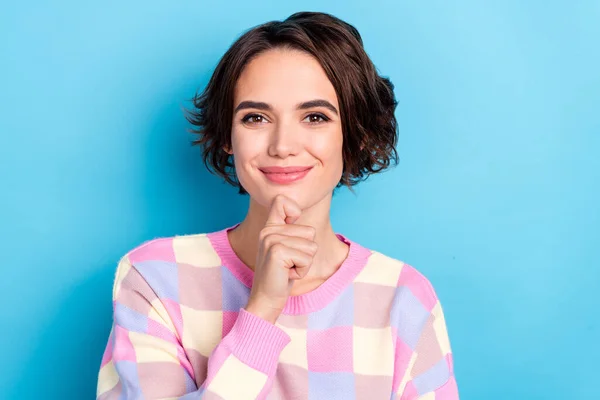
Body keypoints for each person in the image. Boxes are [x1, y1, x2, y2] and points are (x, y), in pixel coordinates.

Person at [96, 11, 459, 400]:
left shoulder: (403, 297)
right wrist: (263, 307)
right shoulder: (155, 278)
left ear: (354, 137)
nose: (283, 145)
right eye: (256, 117)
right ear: (227, 137)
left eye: (315, 117)